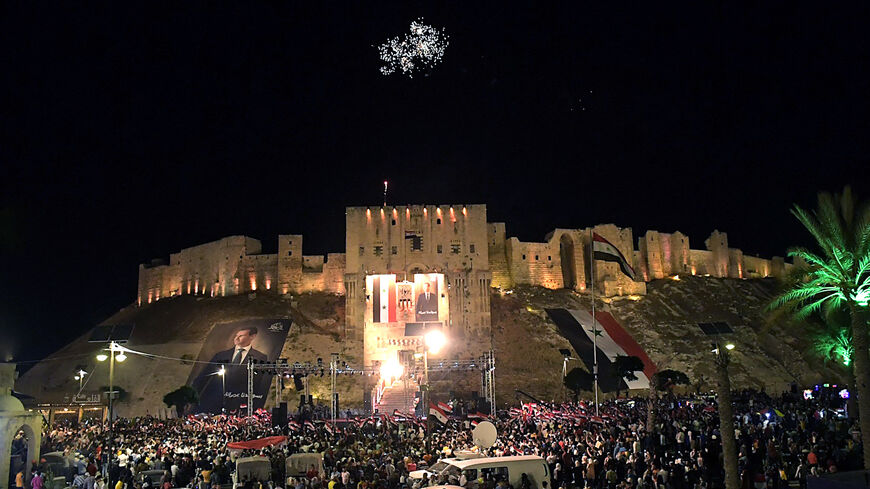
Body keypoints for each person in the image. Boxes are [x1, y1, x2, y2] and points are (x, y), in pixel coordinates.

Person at [192, 326, 270, 413]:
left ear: (252, 337)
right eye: (236, 335)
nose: (236, 338)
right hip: (214, 402)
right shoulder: (221, 355)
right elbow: (204, 376)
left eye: (241, 336)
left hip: (240, 404)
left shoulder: (260, 358)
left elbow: (259, 384)